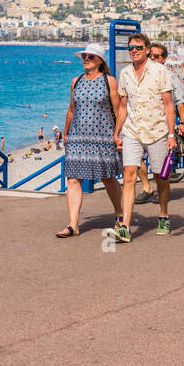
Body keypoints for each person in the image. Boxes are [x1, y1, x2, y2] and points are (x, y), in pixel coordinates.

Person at [55, 43, 124, 239]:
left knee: (107, 177)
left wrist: (118, 134)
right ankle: (72, 225)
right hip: (78, 137)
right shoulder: (75, 81)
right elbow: (71, 109)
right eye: (84, 56)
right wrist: (65, 134)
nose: (86, 59)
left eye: (91, 57)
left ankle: (120, 214)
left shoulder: (109, 81)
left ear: (100, 61)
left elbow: (118, 110)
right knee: (74, 179)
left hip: (103, 136)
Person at [115, 33, 176, 241]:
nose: (134, 51)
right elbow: (123, 106)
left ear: (147, 50)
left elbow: (169, 104)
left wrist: (171, 134)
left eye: (138, 48)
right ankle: (125, 226)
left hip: (157, 131)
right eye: (130, 48)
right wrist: (117, 132)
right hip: (132, 130)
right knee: (129, 174)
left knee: (161, 177)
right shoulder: (125, 74)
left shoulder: (160, 71)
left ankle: (164, 214)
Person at [138, 42, 184, 204]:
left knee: (161, 162)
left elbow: (181, 101)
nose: (153, 59)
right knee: (136, 158)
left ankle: (162, 189)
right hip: (141, 124)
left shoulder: (170, 76)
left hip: (161, 125)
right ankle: (146, 187)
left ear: (164, 59)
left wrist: (183, 122)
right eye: (150, 56)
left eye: (157, 56)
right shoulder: (140, 74)